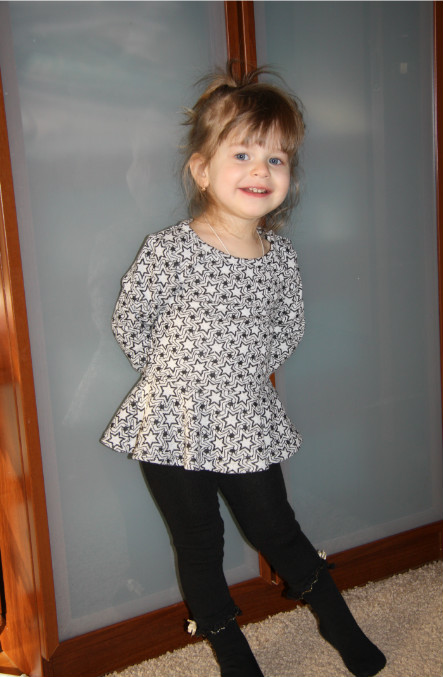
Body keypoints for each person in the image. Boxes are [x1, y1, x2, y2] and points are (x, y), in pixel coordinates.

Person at [101, 63, 386, 677]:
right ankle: (234, 656)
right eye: (242, 154)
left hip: (246, 418)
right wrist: (177, 380)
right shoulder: (169, 249)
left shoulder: (280, 258)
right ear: (202, 170)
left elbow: (287, 331)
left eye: (276, 158)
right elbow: (132, 322)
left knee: (278, 529)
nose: (261, 170)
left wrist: (238, 385)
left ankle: (339, 624)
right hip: (171, 422)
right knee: (199, 542)